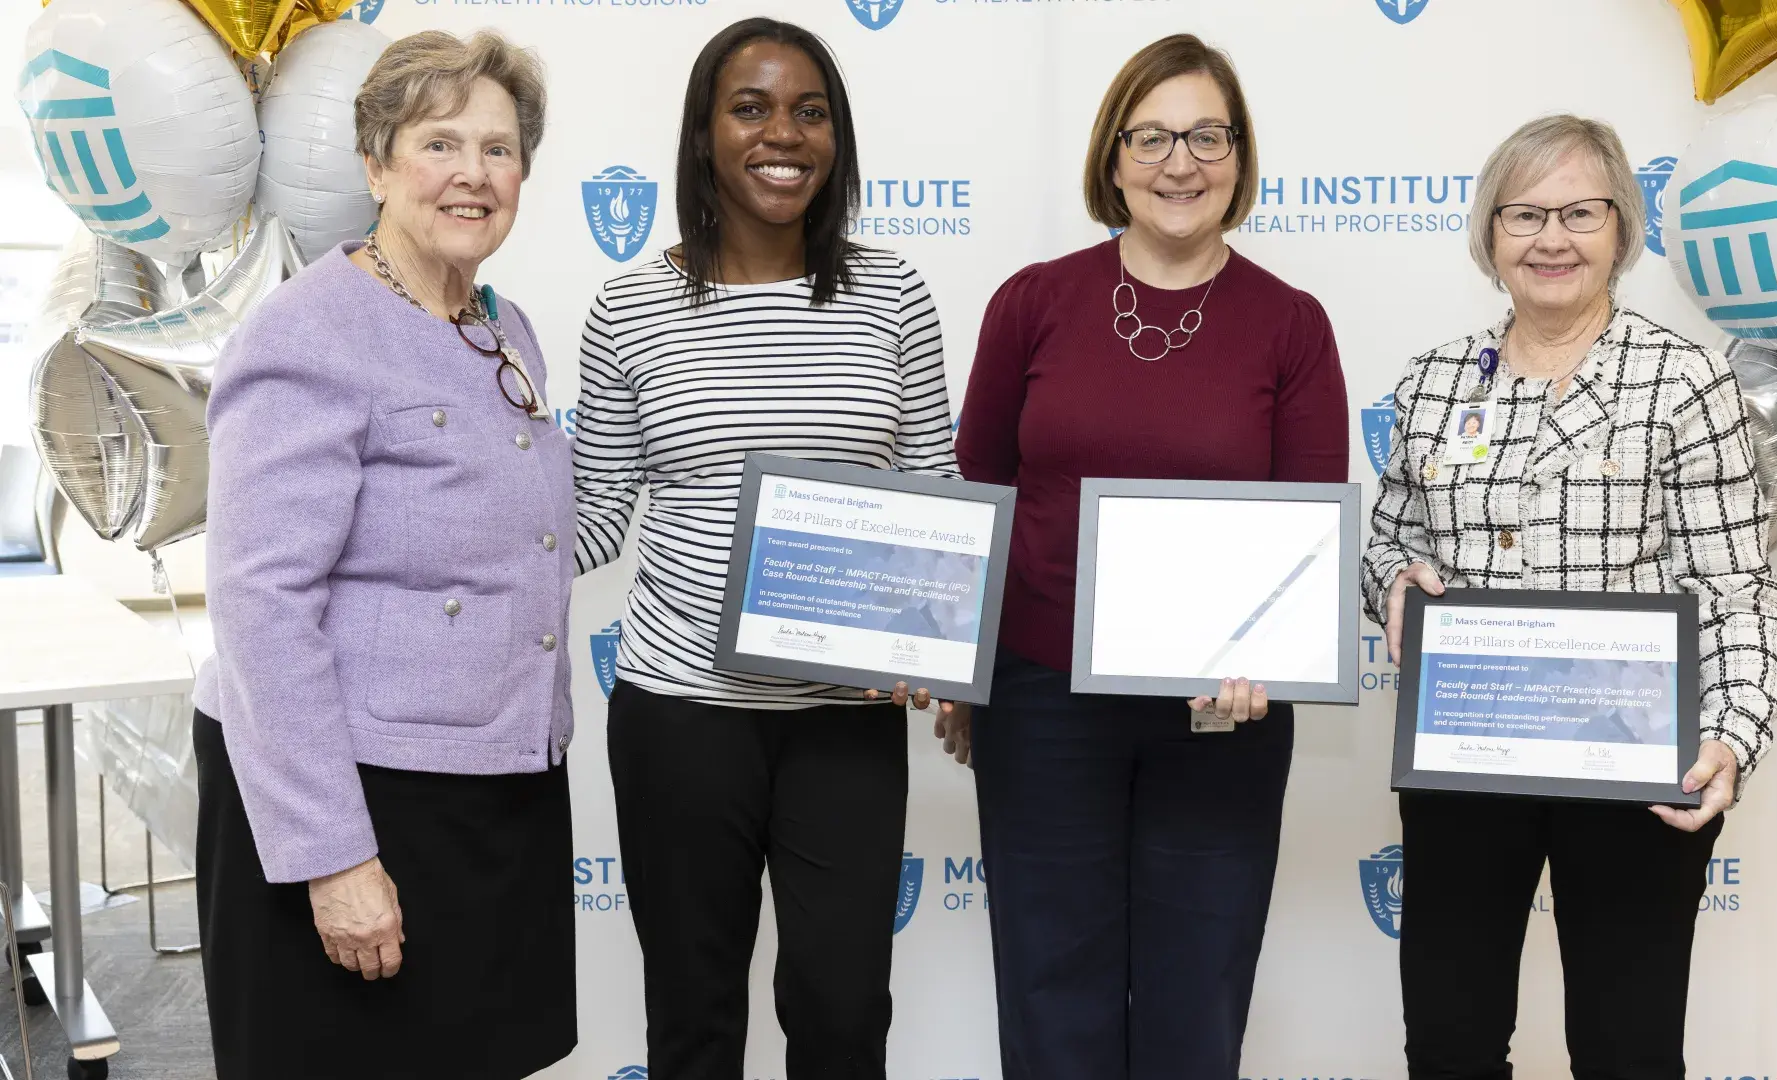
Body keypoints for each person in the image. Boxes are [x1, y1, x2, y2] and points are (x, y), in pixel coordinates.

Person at [951, 33, 1347, 1080]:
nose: (1182, 162)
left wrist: (1276, 661)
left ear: (1239, 154)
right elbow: (983, 489)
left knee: (1196, 995)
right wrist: (960, 670)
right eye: (1155, 136)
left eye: (1207, 135)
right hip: (1038, 702)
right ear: (1114, 157)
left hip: (1219, 713)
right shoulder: (1032, 303)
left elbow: (1309, 527)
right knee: (1051, 989)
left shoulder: (1291, 326)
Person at [1362, 114, 1777, 1079]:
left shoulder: (1682, 383)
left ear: (1622, 230)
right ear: (1489, 235)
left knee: (1625, 1049)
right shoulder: (1432, 383)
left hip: (1634, 763)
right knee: (1451, 1044)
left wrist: (1733, 732)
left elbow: (1735, 586)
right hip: (1466, 756)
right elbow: (1390, 541)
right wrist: (1392, 579)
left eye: (1580, 212)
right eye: (1525, 214)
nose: (1551, 238)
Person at [571, 18, 958, 1079]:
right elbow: (596, 511)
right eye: (750, 108)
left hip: (845, 723)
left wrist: (944, 653)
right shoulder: (631, 305)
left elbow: (935, 493)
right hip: (680, 717)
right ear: (704, 134)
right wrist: (447, 531)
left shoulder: (893, 295)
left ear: (836, 137)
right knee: (692, 1021)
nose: (781, 133)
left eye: (809, 110)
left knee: (842, 1016)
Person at [192, 29, 575, 1080]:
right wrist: (334, 858)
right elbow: (260, 604)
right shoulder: (306, 334)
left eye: (499, 150)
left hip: (496, 792)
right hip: (358, 799)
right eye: (439, 143)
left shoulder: (507, 330)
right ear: (374, 162)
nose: (473, 175)